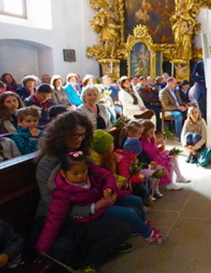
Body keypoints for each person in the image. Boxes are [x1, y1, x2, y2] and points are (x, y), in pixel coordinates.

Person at [34, 111, 132, 268]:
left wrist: (108, 190)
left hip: (87, 204)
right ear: (62, 135)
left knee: (124, 226)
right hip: (58, 215)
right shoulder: (48, 162)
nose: (80, 139)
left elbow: (100, 177)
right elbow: (51, 201)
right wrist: (92, 208)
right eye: (75, 136)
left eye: (83, 135)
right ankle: (84, 264)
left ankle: (92, 255)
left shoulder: (81, 154)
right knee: (64, 247)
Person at [35, 151, 164, 254]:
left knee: (135, 200)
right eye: (75, 174)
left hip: (100, 199)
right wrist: (43, 247)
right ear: (63, 173)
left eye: (83, 172)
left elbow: (107, 176)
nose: (81, 176)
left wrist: (108, 189)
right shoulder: (61, 192)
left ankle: (141, 225)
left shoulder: (84, 169)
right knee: (129, 213)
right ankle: (149, 235)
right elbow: (54, 219)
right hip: (91, 212)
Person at [139, 120, 188, 192]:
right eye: (150, 132)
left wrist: (160, 144)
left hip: (157, 155)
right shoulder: (143, 141)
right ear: (144, 132)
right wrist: (157, 143)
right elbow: (151, 152)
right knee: (168, 160)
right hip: (152, 158)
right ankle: (170, 183)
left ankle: (179, 176)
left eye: (153, 131)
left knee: (172, 156)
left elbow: (156, 149)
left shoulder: (150, 138)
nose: (153, 134)